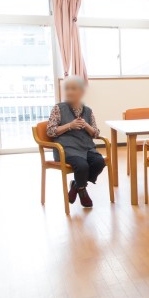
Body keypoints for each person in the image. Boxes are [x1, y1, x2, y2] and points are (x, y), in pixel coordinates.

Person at [46, 76, 105, 208]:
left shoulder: (88, 111)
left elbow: (96, 133)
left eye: (73, 89)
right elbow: (50, 131)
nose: (69, 92)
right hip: (66, 149)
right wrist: (70, 126)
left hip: (86, 148)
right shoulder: (58, 108)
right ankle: (82, 190)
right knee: (82, 166)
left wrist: (86, 126)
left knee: (99, 162)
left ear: (81, 92)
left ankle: (76, 186)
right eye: (67, 89)